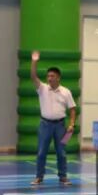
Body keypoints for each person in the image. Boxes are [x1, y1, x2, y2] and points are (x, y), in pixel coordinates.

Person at [29, 51, 77, 186]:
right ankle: (39, 177)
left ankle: (63, 176)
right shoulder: (42, 88)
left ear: (58, 78)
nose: (49, 78)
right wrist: (34, 61)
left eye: (52, 76)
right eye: (48, 76)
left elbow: (72, 109)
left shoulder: (66, 92)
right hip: (45, 125)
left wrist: (72, 124)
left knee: (61, 153)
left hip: (60, 126)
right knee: (41, 152)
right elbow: (33, 76)